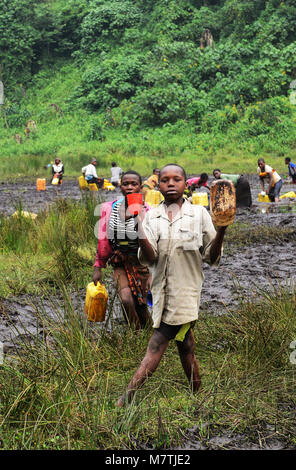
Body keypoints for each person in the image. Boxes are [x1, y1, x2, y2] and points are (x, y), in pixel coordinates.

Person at [116, 163, 227, 407]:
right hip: (160, 292)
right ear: (159, 184)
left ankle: (127, 397)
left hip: (186, 292)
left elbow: (211, 256)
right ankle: (198, 395)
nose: (170, 183)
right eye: (165, 180)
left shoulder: (199, 215)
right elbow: (151, 256)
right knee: (185, 344)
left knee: (157, 343)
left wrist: (222, 230)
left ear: (186, 184)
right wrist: (138, 226)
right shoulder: (152, 215)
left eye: (176, 179)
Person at [93, 170, 151, 329]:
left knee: (141, 305)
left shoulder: (149, 210)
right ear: (120, 187)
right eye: (126, 184)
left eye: (134, 184)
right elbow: (103, 240)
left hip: (143, 263)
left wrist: (139, 217)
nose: (130, 187)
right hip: (120, 262)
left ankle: (147, 335)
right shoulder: (108, 209)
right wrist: (98, 267)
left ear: (140, 187)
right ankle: (135, 333)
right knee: (126, 299)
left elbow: (154, 242)